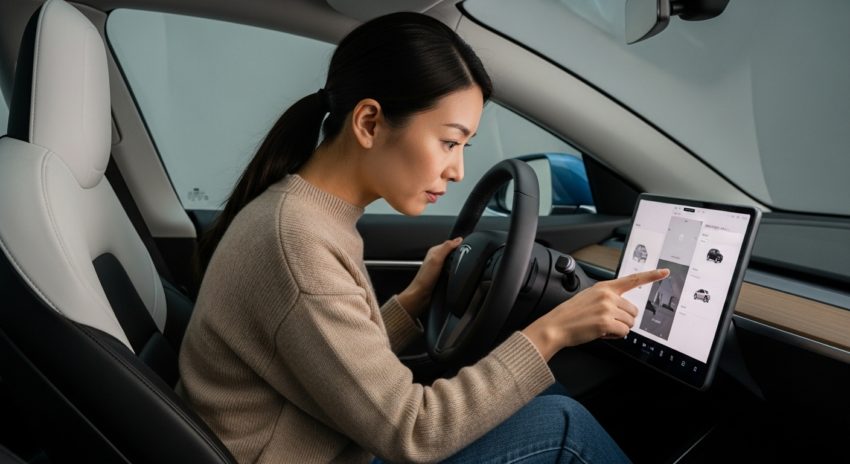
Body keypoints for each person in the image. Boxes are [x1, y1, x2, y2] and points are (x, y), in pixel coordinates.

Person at [177, 11, 669, 464]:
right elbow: (414, 432)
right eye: (449, 142)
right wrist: (553, 331)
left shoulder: (303, 216)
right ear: (369, 122)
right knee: (564, 427)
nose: (457, 170)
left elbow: (329, 362)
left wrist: (412, 304)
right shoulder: (297, 242)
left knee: (545, 397)